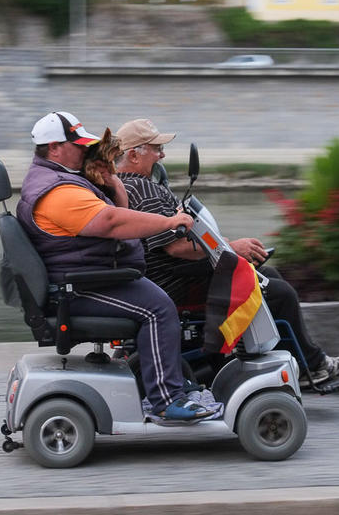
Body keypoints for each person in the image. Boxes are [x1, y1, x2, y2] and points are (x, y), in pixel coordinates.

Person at [114, 118, 339, 385]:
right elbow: (176, 246)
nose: (163, 154)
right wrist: (230, 248)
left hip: (165, 276)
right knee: (280, 293)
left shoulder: (126, 187)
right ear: (134, 155)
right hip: (175, 283)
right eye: (156, 148)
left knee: (268, 272)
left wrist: (221, 245)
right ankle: (313, 365)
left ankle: (289, 358)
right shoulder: (144, 190)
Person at [17, 111, 210, 421]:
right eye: (77, 144)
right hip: (78, 286)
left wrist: (114, 183)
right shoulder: (58, 190)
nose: (85, 150)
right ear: (54, 148)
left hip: (86, 276)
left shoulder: (61, 178)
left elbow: (114, 212)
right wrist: (170, 221)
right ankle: (167, 400)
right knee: (158, 308)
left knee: (157, 299)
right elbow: (110, 221)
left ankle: (170, 384)